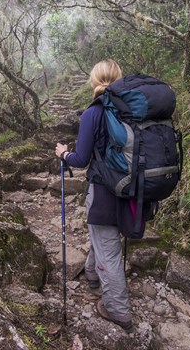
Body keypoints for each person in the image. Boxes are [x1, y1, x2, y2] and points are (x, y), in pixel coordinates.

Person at [54, 59, 134, 333]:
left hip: (103, 190)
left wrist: (63, 153)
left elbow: (81, 159)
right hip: (132, 189)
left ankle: (119, 312)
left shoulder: (93, 113)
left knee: (108, 250)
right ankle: (91, 274)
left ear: (94, 80)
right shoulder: (131, 110)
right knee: (104, 237)